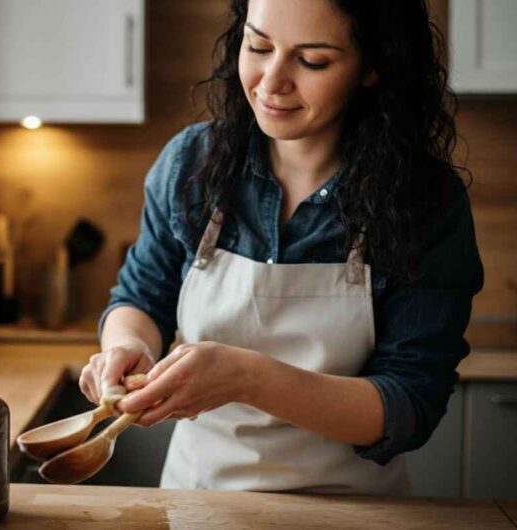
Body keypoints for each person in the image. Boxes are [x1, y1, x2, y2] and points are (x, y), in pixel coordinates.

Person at [79, 0, 484, 495]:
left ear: (374, 66)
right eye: (259, 46)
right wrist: (128, 348)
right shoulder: (192, 164)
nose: (271, 82)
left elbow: (408, 405)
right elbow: (142, 298)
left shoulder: (426, 201)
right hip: (196, 502)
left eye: (312, 60)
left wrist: (247, 378)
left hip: (352, 513)